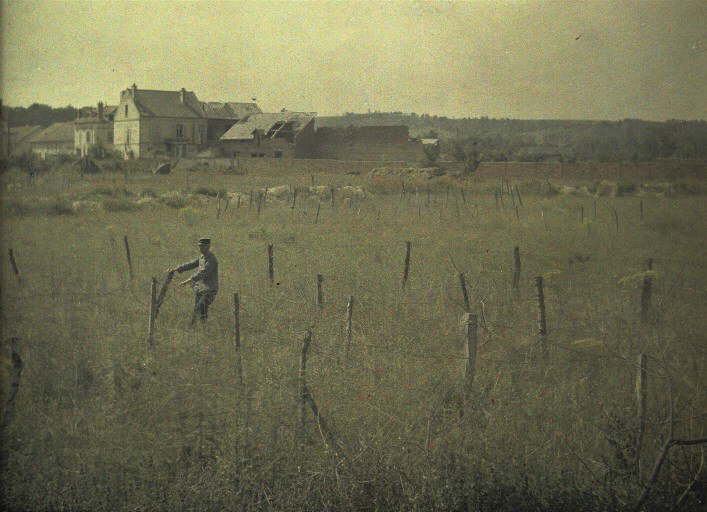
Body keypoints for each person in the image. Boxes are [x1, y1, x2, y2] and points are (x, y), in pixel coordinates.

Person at [168, 237, 219, 324]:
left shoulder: (212, 259)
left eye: (203, 246)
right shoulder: (202, 257)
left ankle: (202, 328)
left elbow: (202, 273)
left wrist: (187, 282)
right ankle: (196, 328)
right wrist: (177, 269)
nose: (200, 248)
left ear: (208, 246)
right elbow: (191, 264)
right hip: (201, 289)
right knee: (198, 310)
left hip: (210, 290)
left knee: (201, 308)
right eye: (199, 246)